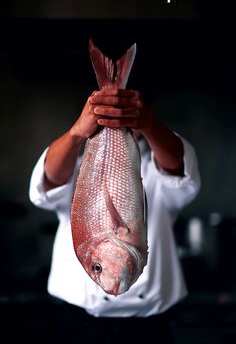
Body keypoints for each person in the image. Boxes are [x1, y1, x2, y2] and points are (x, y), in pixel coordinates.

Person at [29, 87, 201, 344]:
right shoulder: (75, 163)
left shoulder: (158, 159)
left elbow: (178, 166)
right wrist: (77, 132)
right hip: (80, 325)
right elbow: (47, 183)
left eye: (98, 268)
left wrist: (148, 123)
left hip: (149, 328)